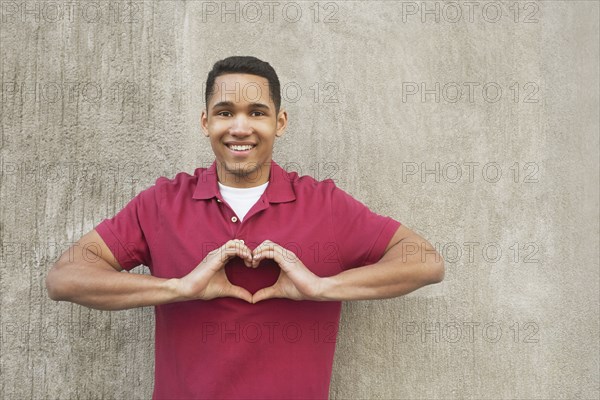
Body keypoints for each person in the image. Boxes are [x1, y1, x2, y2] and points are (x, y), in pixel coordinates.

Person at [46, 56, 445, 399]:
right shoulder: (162, 203)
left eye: (257, 112)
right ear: (206, 122)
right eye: (225, 112)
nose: (240, 127)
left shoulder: (324, 204)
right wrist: (179, 288)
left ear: (280, 122)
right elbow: (65, 278)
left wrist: (321, 288)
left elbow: (425, 261)